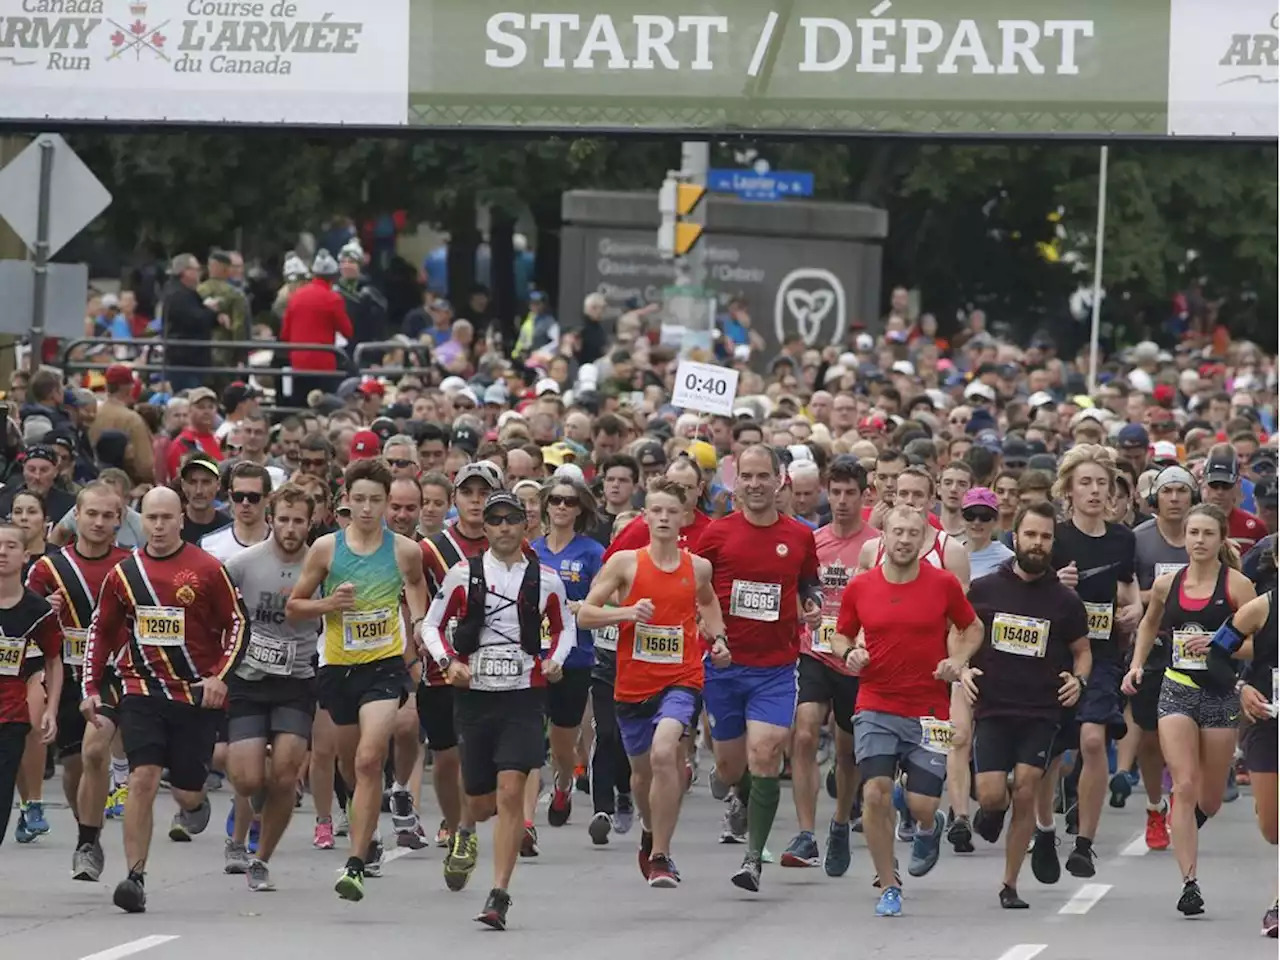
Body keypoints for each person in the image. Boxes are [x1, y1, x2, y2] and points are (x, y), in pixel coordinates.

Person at [81, 486, 249, 914]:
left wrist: (219, 677)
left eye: (165, 518)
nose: (157, 526)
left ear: (180, 521)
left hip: (194, 696)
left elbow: (238, 625)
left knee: (186, 791)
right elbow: (101, 632)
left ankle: (195, 800)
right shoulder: (125, 574)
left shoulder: (209, 569)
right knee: (143, 778)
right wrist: (92, 688)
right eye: (150, 518)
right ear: (142, 521)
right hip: (141, 690)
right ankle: (134, 877)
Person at [422, 490, 576, 930]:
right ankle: (467, 832)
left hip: (525, 694)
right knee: (483, 802)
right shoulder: (461, 574)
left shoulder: (546, 579)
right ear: (484, 528)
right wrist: (448, 662)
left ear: (525, 526)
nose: (505, 527)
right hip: (475, 693)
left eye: (513, 519)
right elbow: (430, 626)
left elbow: (566, 629)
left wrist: (556, 660)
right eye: (496, 520)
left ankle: (499, 893)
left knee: (512, 791)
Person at [286, 457, 428, 903]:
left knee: (370, 759)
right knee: (351, 766)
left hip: (384, 665)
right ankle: (365, 828)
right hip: (337, 667)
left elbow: (418, 587)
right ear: (345, 500)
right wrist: (329, 606)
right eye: (359, 499)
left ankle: (355, 862)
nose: (368, 509)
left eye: (377, 500)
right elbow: (295, 606)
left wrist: (421, 623)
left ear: (388, 503)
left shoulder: (405, 550)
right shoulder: (326, 549)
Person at [577, 478, 728, 886]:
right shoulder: (625, 563)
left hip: (682, 678)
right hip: (632, 685)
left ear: (684, 519)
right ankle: (649, 830)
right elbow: (585, 614)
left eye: (671, 512)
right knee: (641, 775)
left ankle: (661, 854)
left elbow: (709, 603)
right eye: (656, 510)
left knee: (667, 754)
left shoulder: (697, 567)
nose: (663, 517)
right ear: (645, 516)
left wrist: (719, 639)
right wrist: (625, 614)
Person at [831, 505, 980, 917]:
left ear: (923, 540)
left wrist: (959, 660)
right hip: (876, 703)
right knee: (874, 793)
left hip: (928, 709)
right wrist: (851, 654)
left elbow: (972, 627)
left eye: (912, 534)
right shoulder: (861, 586)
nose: (903, 540)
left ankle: (929, 829)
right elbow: (840, 636)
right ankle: (889, 884)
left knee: (921, 805)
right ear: (883, 536)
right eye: (896, 532)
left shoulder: (943, 584)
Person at [695, 445, 821, 892]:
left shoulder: (800, 536)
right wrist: (708, 631)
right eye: (745, 476)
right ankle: (733, 784)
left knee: (767, 750)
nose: (754, 484)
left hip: (776, 665)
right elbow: (696, 588)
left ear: (779, 480)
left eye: (762, 476)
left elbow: (809, 581)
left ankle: (753, 859)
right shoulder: (715, 534)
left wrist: (812, 604)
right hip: (725, 665)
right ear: (735, 482)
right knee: (733, 766)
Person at [1123, 503, 1255, 917]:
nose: (1198, 540)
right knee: (1182, 785)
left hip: (1218, 694)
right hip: (1176, 689)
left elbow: (1260, 644)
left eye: (1207, 534)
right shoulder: (1167, 584)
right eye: (1192, 533)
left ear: (1220, 540)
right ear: (1185, 538)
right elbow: (1148, 622)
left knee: (1210, 799)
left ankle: (1186, 822)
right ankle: (1189, 883)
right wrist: (1137, 664)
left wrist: (1221, 644)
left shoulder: (1237, 586)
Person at [961, 501, 1091, 908]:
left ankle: (1009, 884)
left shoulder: (1065, 601)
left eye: (1045, 537)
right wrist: (962, 667)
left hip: (1041, 710)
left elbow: (1083, 651)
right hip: (994, 707)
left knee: (1027, 788)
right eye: (1030, 535)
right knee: (991, 794)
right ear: (1014, 537)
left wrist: (1079, 679)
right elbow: (959, 634)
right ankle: (989, 811)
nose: (1037, 543)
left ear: (1053, 542)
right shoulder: (983, 590)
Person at [25, 482, 129, 880]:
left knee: (95, 751)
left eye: (108, 515)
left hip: (108, 675)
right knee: (73, 769)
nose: (99, 522)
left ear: (120, 519)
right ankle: (90, 833)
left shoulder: (129, 565)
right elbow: (21, 618)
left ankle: (86, 844)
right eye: (92, 514)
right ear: (77, 517)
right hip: (64, 676)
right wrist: (42, 609)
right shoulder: (49, 568)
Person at [222, 484, 322, 892]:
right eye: (283, 519)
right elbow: (216, 607)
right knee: (247, 779)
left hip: (297, 680)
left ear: (310, 522)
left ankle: (261, 858)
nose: (290, 528)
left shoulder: (320, 565)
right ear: (271, 518)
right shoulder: (243, 564)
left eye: (299, 520)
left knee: (284, 774)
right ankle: (257, 802)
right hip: (249, 678)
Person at [1049, 444, 1141, 880]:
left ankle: (1084, 842)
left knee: (1091, 740)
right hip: (1053, 654)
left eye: (1101, 483)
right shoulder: (1054, 534)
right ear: (1068, 488)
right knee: (1047, 753)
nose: (1094, 490)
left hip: (1102, 653)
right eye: (1085, 482)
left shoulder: (1123, 539)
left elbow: (1129, 590)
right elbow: (1023, 586)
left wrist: (1134, 611)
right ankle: (1044, 829)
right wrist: (1054, 582)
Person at [784, 456, 876, 876]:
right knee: (803, 731)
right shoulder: (811, 541)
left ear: (863, 495)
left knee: (847, 749)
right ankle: (806, 832)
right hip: (814, 650)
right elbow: (798, 589)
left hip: (856, 659)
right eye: (834, 492)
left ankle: (839, 821)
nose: (841, 501)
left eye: (849, 493)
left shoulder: (877, 545)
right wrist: (804, 609)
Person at [418, 460, 504, 858]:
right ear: (455, 499)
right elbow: (414, 597)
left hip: (493, 668)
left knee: (479, 752)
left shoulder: (507, 545)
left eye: (483, 493)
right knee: (447, 756)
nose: (475, 500)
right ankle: (455, 825)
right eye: (468, 493)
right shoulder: (432, 548)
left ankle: (466, 827)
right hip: (442, 665)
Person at [532, 477, 604, 835]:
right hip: (531, 657)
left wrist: (584, 606)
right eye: (556, 500)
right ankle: (525, 823)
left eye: (570, 502)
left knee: (562, 746)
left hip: (574, 658)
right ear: (545, 504)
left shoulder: (591, 552)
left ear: (581, 510)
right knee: (529, 741)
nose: (562, 507)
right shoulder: (531, 550)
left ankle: (563, 784)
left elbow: (608, 598)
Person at [1216, 578, 1277, 937]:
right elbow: (1216, 653)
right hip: (1268, 719)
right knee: (1272, 828)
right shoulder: (1261, 608)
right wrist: (1241, 688)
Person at [0, 521, 62, 847]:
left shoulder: (37, 610)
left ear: (26, 556)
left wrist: (51, 709)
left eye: (11, 546)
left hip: (11, 717)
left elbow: (54, 659)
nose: (2, 552)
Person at [200, 462, 272, 563]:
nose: (245, 503)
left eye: (253, 497)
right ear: (230, 496)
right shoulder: (207, 545)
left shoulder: (282, 544)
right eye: (238, 496)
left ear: (268, 498)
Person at [179, 453, 231, 545]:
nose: (199, 491)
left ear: (218, 484)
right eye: (192, 482)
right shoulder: (173, 529)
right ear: (183, 485)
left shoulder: (229, 529)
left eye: (206, 482)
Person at [962, 488, 1014, 579]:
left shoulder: (1008, 559)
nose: (977, 522)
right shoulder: (951, 552)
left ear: (996, 520)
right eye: (970, 515)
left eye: (984, 516)